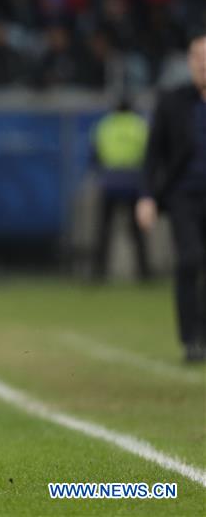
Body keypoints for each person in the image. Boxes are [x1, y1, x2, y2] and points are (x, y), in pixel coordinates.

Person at [135, 34, 206, 363]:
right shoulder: (173, 101)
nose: (202, 62)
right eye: (196, 56)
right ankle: (190, 338)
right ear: (189, 62)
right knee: (190, 259)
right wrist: (147, 196)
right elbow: (154, 154)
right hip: (184, 196)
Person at [91, 97, 151, 281]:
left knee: (104, 230)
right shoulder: (140, 125)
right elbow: (150, 155)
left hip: (110, 182)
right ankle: (144, 273)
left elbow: (94, 155)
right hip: (134, 181)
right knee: (137, 232)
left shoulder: (104, 126)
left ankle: (99, 272)